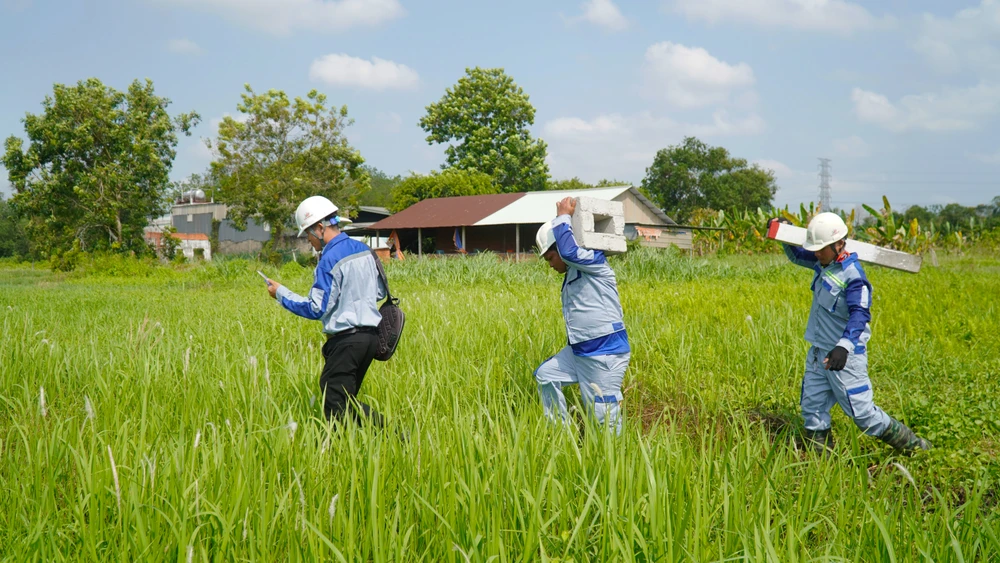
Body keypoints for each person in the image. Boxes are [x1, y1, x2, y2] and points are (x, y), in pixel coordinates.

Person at [770, 213, 931, 454]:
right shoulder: (821, 261)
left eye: (821, 248)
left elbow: (860, 314)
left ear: (839, 245)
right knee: (812, 408)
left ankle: (918, 450)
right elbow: (796, 254)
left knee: (864, 416)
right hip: (819, 353)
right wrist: (784, 232)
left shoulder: (854, 277)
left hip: (844, 358)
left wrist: (843, 346)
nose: (816, 253)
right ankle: (821, 463)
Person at [265, 195, 386, 426]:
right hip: (370, 339)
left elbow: (316, 308)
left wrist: (281, 293)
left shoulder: (329, 258)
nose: (309, 240)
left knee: (335, 401)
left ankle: (398, 437)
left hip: (346, 342)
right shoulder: (364, 250)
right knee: (343, 401)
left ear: (320, 228)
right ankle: (349, 448)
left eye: (308, 234)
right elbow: (379, 293)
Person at [533, 197, 630, 434]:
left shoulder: (594, 262)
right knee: (546, 376)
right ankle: (563, 436)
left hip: (604, 353)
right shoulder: (572, 275)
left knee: (603, 417)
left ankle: (613, 462)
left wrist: (563, 216)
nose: (550, 264)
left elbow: (570, 252)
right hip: (580, 352)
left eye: (550, 257)